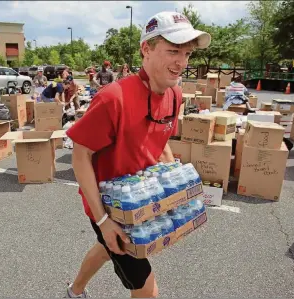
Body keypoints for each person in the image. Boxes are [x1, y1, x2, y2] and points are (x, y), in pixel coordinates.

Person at [65, 11, 211, 298]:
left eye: (187, 53)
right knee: (146, 290)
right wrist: (104, 222)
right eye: (173, 51)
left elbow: (160, 142)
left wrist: (174, 190)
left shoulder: (174, 94)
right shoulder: (113, 98)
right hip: (110, 208)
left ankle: (74, 291)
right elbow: (80, 156)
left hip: (143, 200)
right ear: (147, 49)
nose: (182, 62)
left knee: (108, 251)